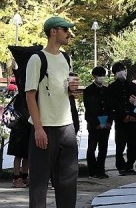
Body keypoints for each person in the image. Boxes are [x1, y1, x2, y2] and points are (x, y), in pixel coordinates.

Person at [25, 16, 79, 208]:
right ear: (53, 31)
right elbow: (30, 95)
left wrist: (73, 90)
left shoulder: (66, 58)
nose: (68, 33)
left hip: (67, 127)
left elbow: (66, 92)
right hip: (45, 128)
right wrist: (38, 129)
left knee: (68, 182)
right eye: (65, 30)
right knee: (39, 184)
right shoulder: (37, 59)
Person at [107, 62, 136, 176]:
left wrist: (132, 115)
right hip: (121, 120)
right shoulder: (112, 87)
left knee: (132, 144)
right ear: (115, 73)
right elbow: (113, 104)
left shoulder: (131, 85)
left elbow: (135, 100)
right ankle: (121, 166)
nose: (122, 72)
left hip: (133, 119)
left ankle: (130, 165)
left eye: (123, 69)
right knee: (120, 144)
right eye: (119, 70)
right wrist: (123, 116)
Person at [83, 66, 112, 179]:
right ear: (94, 76)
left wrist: (109, 121)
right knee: (92, 148)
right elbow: (89, 108)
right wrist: (96, 123)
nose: (101, 78)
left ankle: (101, 170)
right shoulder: (89, 90)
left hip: (106, 121)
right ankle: (92, 171)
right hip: (94, 122)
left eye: (103, 75)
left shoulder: (106, 90)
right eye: (99, 75)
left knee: (103, 148)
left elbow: (110, 107)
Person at [7, 71, 30, 188]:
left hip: (26, 130)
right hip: (19, 130)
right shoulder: (21, 98)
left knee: (26, 155)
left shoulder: (27, 96)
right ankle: (17, 178)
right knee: (19, 155)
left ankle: (24, 177)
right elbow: (23, 115)